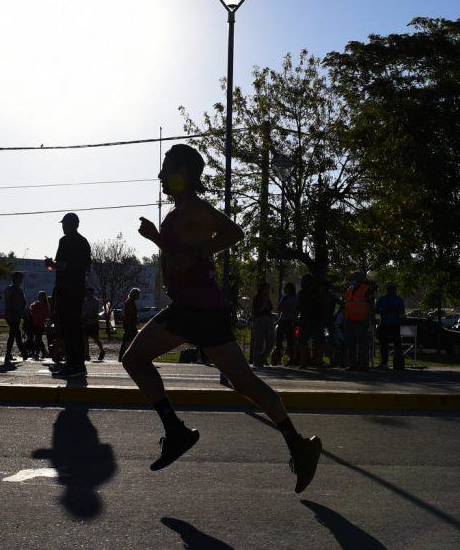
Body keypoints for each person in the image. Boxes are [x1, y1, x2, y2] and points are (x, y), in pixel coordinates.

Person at [123, 144, 321, 493]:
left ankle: (175, 431)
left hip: (193, 306)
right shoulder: (179, 210)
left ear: (183, 171)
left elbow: (232, 233)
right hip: (204, 307)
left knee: (134, 359)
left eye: (166, 167)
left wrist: (197, 252)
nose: (159, 174)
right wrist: (158, 239)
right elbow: (178, 256)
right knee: (244, 383)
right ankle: (299, 445)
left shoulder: (194, 207)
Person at [48, 212, 91, 378]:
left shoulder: (66, 241)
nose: (63, 227)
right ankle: (76, 363)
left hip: (68, 290)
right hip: (76, 289)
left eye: (65, 224)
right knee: (74, 327)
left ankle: (74, 364)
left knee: (69, 328)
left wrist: (51, 264)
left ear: (74, 225)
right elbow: (87, 268)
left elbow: (62, 264)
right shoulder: (84, 242)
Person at [343, 271, 374, 372]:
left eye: (357, 276)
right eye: (354, 276)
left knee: (362, 344)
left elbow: (371, 306)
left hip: (361, 320)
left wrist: (369, 319)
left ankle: (363, 365)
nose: (354, 278)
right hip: (350, 320)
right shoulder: (349, 289)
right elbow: (347, 304)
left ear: (362, 278)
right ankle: (352, 364)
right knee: (350, 343)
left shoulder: (367, 289)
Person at [295, 274, 324, 368]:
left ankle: (313, 362)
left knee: (312, 341)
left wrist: (295, 319)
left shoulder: (310, 293)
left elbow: (297, 307)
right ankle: (311, 362)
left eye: (303, 280)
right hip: (309, 320)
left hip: (311, 320)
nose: (302, 282)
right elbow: (297, 307)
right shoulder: (310, 293)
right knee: (307, 342)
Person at [375, 283, 405, 370]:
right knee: (397, 344)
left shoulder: (382, 299)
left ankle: (384, 363)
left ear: (387, 290)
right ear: (395, 290)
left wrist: (383, 311)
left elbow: (376, 310)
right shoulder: (398, 299)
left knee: (384, 344)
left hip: (384, 324)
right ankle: (398, 363)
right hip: (395, 324)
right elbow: (402, 312)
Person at [2, 272, 29, 365]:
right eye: (18, 278)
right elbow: (7, 302)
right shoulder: (10, 289)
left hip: (17, 316)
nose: (20, 281)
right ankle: (22, 352)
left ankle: (9, 354)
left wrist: (23, 312)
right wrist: (9, 313)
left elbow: (23, 302)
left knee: (14, 334)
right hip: (11, 315)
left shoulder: (20, 290)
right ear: (14, 279)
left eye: (21, 279)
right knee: (15, 334)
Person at [272, 282, 297, 366]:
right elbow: (278, 308)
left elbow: (293, 308)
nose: (285, 289)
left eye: (286, 288)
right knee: (278, 340)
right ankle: (276, 358)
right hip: (282, 320)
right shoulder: (284, 297)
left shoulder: (294, 298)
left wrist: (285, 307)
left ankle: (292, 359)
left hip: (290, 320)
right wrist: (285, 307)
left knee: (290, 340)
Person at [250, 281, 274, 367]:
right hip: (259, 319)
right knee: (259, 341)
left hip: (268, 319)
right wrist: (266, 300)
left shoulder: (267, 298)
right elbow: (260, 310)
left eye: (268, 288)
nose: (267, 290)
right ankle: (257, 361)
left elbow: (270, 308)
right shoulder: (257, 298)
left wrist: (267, 299)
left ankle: (263, 357)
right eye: (266, 288)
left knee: (271, 340)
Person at [26, 291, 51, 360]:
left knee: (38, 339)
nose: (40, 297)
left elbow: (44, 314)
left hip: (41, 324)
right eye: (40, 296)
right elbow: (32, 308)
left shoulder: (45, 305)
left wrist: (36, 313)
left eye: (42, 296)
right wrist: (36, 313)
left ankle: (38, 353)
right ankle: (44, 352)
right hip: (35, 323)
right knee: (38, 339)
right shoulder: (36, 304)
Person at [118, 287, 141, 362]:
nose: (139, 296)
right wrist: (131, 325)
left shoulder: (129, 301)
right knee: (134, 340)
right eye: (138, 294)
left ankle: (122, 356)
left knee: (128, 340)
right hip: (129, 324)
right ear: (135, 295)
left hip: (128, 324)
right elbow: (129, 315)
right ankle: (127, 356)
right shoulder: (130, 302)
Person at [82, 287, 104, 361]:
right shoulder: (84, 301)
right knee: (85, 339)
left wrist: (90, 315)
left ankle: (102, 351)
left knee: (96, 339)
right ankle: (86, 354)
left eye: (89, 292)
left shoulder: (96, 301)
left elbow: (96, 311)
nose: (87, 294)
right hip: (86, 322)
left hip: (93, 322)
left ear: (92, 293)